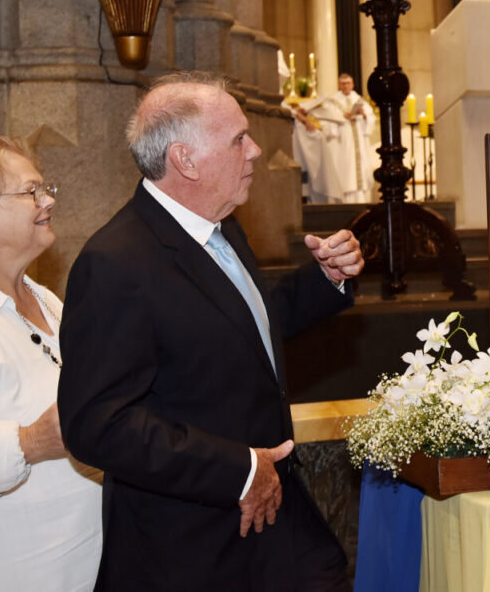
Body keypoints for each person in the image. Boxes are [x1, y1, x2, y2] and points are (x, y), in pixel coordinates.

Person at [57, 72, 365, 590]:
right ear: (186, 160)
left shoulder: (222, 228)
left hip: (271, 525)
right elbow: (97, 424)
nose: (256, 150)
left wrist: (325, 279)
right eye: (238, 139)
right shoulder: (115, 262)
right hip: (192, 547)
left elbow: (243, 326)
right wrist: (238, 470)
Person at [0, 137, 102, 590]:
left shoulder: (45, 299)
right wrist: (29, 442)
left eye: (47, 189)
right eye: (31, 192)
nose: (48, 201)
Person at [291, 73, 377, 204]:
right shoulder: (332, 102)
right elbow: (326, 124)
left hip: (359, 145)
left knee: (359, 178)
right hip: (341, 145)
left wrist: (363, 115)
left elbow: (370, 121)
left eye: (348, 83)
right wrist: (342, 119)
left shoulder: (360, 101)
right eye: (343, 84)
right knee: (344, 175)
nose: (346, 86)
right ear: (339, 85)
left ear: (353, 85)